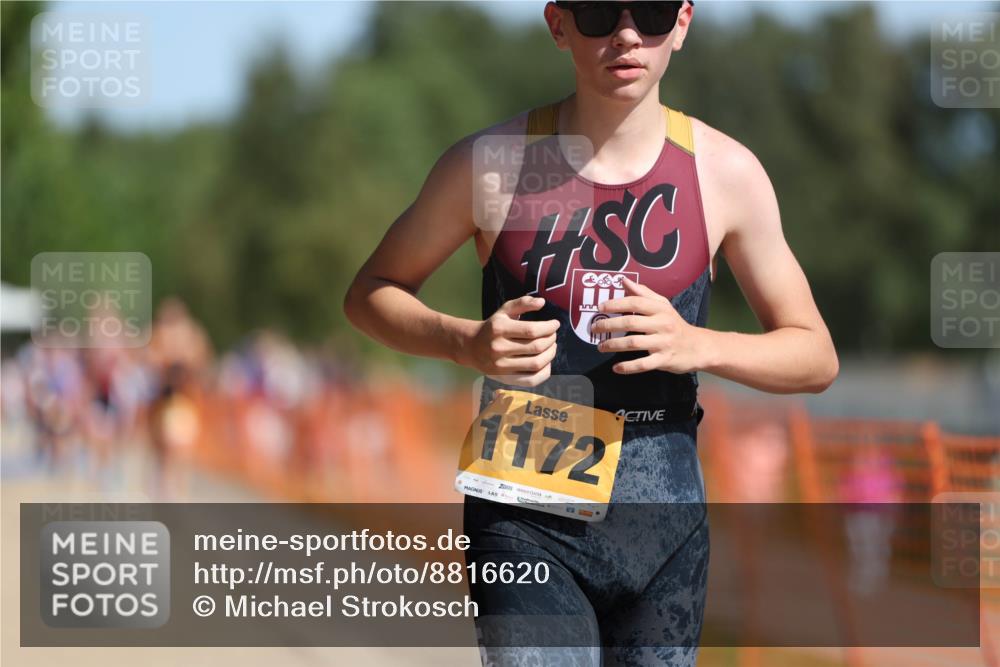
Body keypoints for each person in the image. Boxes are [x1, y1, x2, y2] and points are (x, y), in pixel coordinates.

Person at [344, 1, 838, 664]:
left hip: (664, 535)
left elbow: (815, 355)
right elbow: (369, 294)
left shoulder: (723, 173)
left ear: (682, 23)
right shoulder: (494, 164)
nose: (627, 34)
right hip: (524, 521)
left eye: (652, 12)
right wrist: (465, 342)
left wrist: (701, 344)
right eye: (602, 11)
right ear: (559, 24)